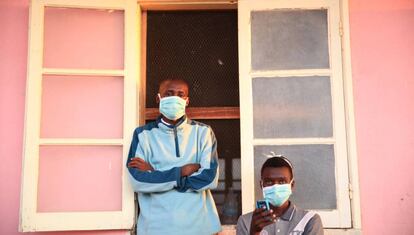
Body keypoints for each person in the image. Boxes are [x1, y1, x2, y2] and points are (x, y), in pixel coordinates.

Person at [126, 78, 221, 235]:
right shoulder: (142, 135)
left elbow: (209, 178)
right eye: (169, 94)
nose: (175, 98)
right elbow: (138, 181)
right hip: (156, 228)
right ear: (158, 98)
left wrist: (155, 172)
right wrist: (181, 171)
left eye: (180, 94)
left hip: (201, 227)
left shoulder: (203, 132)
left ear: (187, 101)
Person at [236, 154, 324, 235]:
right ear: (261, 185)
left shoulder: (309, 220)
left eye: (282, 182)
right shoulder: (246, 221)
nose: (275, 187)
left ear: (292, 185)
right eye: (269, 182)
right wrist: (254, 232)